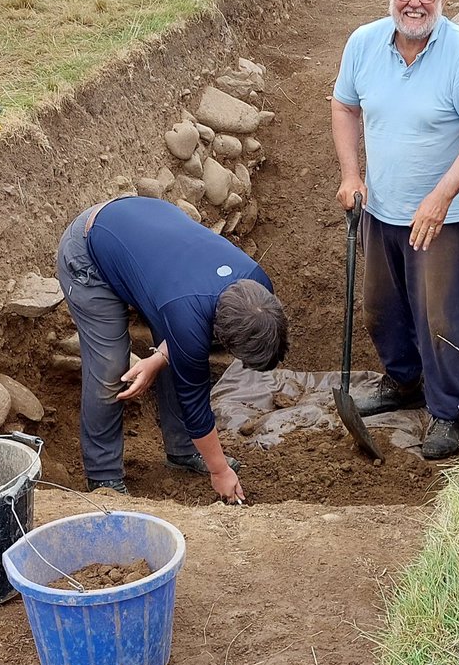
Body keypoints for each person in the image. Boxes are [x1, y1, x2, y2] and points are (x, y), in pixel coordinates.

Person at [330, 0, 459, 460]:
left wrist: (441, 197)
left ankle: (448, 412)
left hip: (440, 218)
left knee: (440, 318)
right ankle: (403, 382)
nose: (415, 2)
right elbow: (343, 104)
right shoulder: (363, 43)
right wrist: (351, 174)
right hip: (380, 208)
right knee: (383, 307)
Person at [56, 196, 288, 502]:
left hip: (149, 241)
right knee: (111, 368)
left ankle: (182, 451)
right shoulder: (187, 315)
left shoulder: (258, 286)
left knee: (178, 355)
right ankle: (103, 477)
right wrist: (219, 471)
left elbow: (186, 339)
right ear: (222, 334)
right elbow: (194, 400)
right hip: (90, 250)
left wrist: (158, 358)